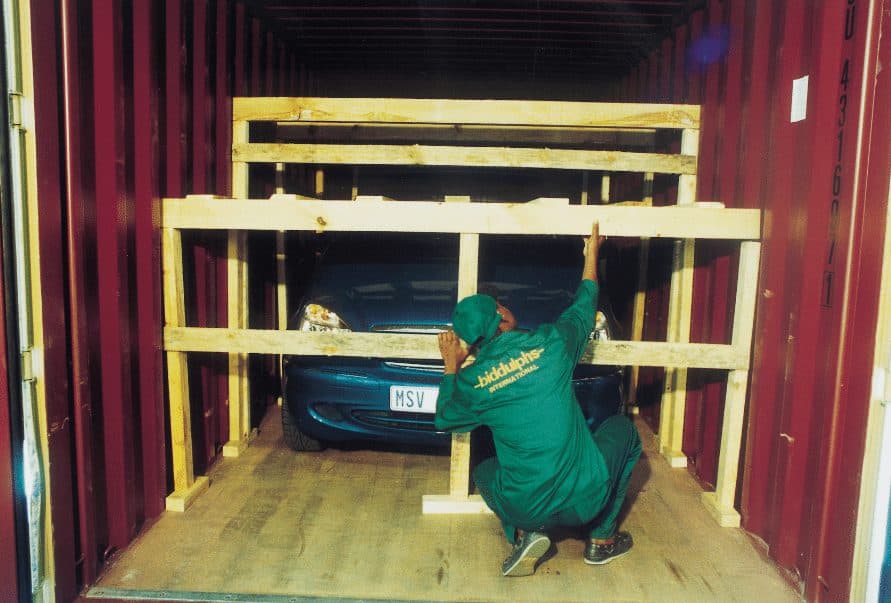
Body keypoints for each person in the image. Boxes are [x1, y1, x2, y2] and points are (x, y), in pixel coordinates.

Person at [435, 222, 642, 577]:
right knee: (624, 429)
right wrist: (591, 253)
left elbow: (445, 419)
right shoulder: (551, 344)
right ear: (501, 316)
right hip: (583, 501)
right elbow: (585, 302)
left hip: (526, 508)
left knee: (483, 468)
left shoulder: (473, 382)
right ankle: (601, 540)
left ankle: (521, 533)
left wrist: (451, 367)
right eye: (500, 304)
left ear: (471, 343)